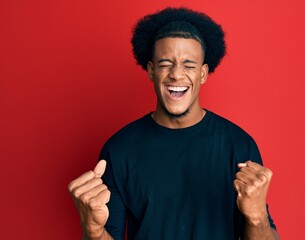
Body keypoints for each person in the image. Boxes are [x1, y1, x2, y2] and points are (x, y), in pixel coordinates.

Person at [68, 7, 280, 240]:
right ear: (151, 70)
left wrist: (257, 216)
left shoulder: (238, 145)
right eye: (166, 63)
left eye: (189, 65)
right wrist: (93, 230)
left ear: (203, 73)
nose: (177, 74)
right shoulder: (119, 149)